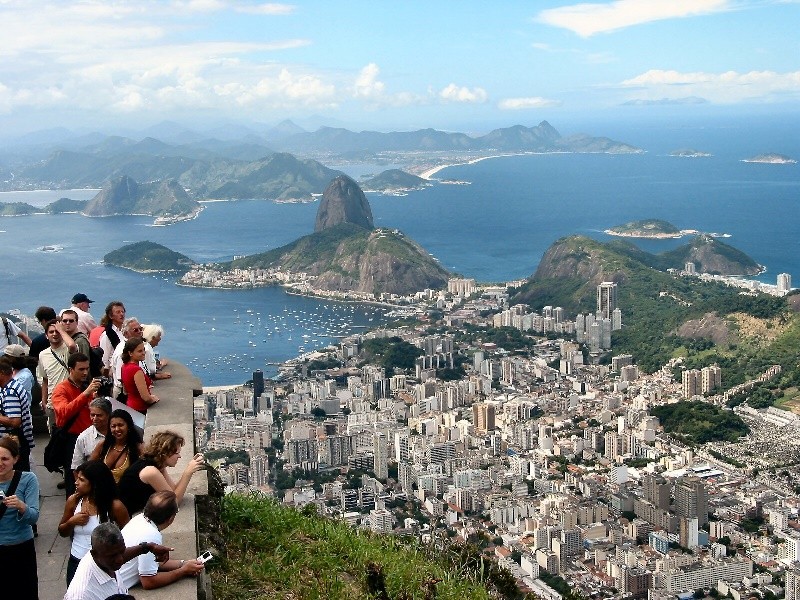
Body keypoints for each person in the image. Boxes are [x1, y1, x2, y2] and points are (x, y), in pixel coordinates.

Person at [59, 460, 131, 584]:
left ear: (95, 483)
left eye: (81, 480)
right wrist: (71, 522)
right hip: (77, 562)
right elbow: (62, 531)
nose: (76, 483)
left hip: (105, 565)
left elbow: (130, 534)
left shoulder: (115, 506)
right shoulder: (74, 501)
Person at [64, 521, 172, 600]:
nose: (120, 559)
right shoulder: (81, 594)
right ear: (94, 554)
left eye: (122, 551)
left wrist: (148, 547)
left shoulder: (104, 559)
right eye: (113, 556)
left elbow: (122, 555)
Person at [118, 491, 205, 590]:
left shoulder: (139, 519)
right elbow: (148, 581)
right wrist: (183, 571)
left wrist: (183, 564)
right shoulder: (151, 535)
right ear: (171, 518)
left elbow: (153, 563)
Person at [118, 431, 204, 516]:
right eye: (176, 453)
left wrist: (189, 470)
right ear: (164, 454)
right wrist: (188, 473)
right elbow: (174, 502)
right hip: (127, 516)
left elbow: (172, 491)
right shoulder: (150, 471)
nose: (179, 456)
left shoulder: (158, 464)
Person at [51, 352, 101, 495]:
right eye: (81, 369)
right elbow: (64, 412)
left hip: (90, 435)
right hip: (71, 439)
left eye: (87, 368)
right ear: (70, 370)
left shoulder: (87, 386)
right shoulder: (61, 389)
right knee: (73, 478)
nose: (85, 372)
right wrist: (85, 394)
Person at [0, 435, 39, 599]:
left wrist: (21, 506)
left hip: (21, 547)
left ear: (15, 459)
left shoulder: (28, 479)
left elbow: (33, 516)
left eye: (5, 459)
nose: (0, 464)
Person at [90, 409, 143, 484]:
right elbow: (88, 469)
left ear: (128, 426)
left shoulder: (138, 448)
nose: (117, 429)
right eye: (113, 426)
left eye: (120, 425)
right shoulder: (103, 445)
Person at [36, 319, 71, 432]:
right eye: (51, 332)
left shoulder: (67, 349)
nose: (55, 334)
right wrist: (44, 400)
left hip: (69, 400)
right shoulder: (43, 355)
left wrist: (62, 330)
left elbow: (72, 346)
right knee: (54, 438)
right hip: (53, 402)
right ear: (46, 335)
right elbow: (45, 379)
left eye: (57, 331)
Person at [0, 358, 34, 471]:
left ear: (2, 373)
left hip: (14, 444)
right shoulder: (12, 386)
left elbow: (15, 421)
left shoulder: (10, 392)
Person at [71, 398, 112, 472]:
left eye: (99, 415)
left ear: (108, 415)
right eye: (92, 415)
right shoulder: (83, 438)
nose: (95, 418)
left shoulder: (118, 433)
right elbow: (76, 468)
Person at [120, 338, 159, 414]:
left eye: (144, 350)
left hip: (130, 405)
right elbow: (146, 398)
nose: (144, 353)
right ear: (130, 353)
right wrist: (153, 399)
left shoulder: (124, 366)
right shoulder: (136, 370)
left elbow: (125, 390)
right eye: (140, 351)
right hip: (140, 408)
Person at [110, 318, 144, 399]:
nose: (139, 332)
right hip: (124, 395)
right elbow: (121, 378)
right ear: (126, 333)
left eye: (140, 329)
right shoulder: (122, 351)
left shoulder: (133, 347)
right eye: (135, 330)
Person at [98, 301, 126, 375]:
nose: (121, 314)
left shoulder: (124, 332)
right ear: (111, 316)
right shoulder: (106, 335)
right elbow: (104, 360)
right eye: (118, 312)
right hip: (114, 373)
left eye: (122, 312)